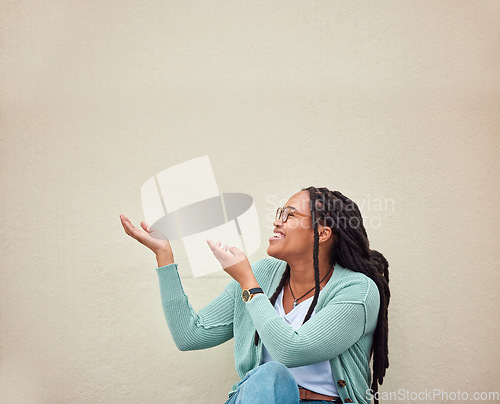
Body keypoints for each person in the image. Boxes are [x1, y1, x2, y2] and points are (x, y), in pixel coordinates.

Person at [120, 186, 390, 404]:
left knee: (273, 372)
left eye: (290, 215)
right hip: (259, 397)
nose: (277, 221)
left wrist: (248, 284)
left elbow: (292, 351)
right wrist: (164, 256)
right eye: (279, 212)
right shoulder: (263, 273)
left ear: (321, 233)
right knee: (269, 377)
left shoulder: (358, 291)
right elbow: (191, 335)